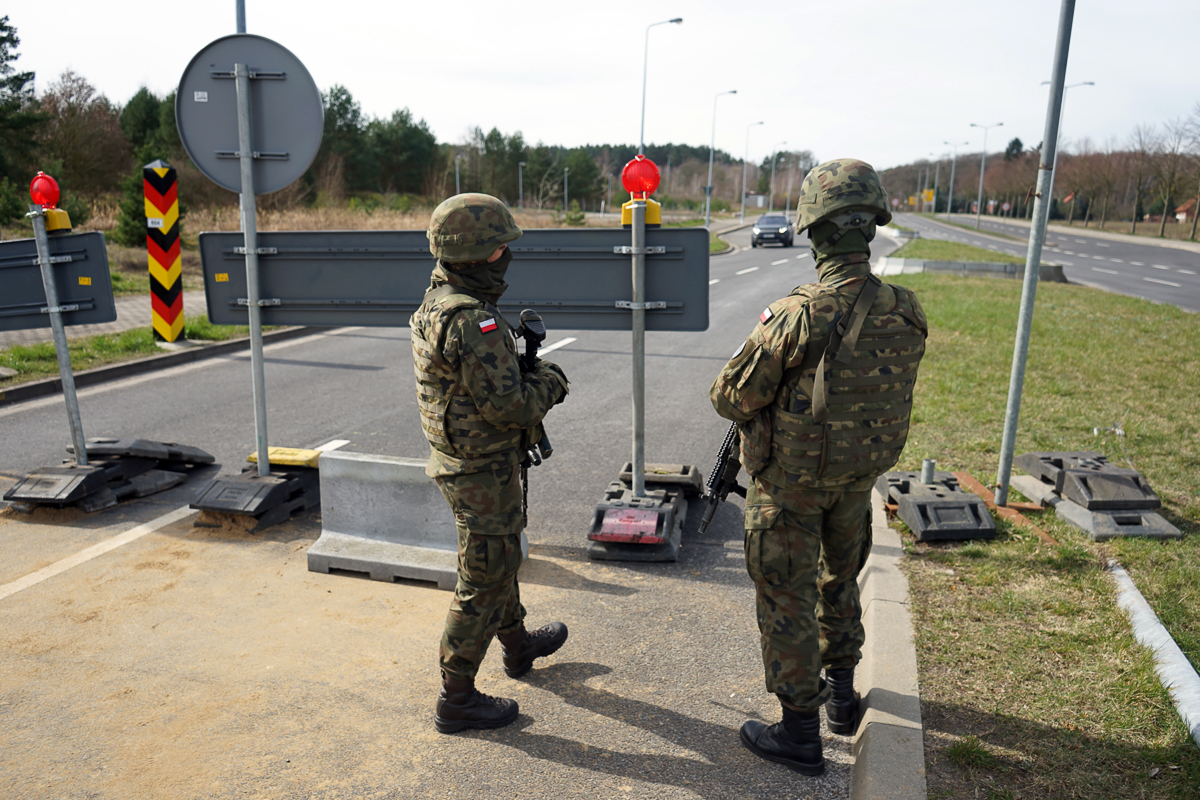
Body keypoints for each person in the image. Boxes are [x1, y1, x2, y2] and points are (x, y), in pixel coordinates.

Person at [709, 159, 928, 775]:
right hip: (856, 484)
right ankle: (841, 697)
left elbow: (730, 396)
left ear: (816, 230)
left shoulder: (799, 314)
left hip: (791, 490)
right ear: (872, 225)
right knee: (841, 584)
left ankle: (800, 731)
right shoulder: (906, 309)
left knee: (787, 598)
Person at [410, 193, 570, 734]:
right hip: (480, 469)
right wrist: (551, 380)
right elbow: (511, 406)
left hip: (465, 461)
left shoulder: (438, 299)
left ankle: (518, 644)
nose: (507, 254)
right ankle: (457, 697)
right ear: (480, 254)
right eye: (500, 246)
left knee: (500, 556)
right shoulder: (469, 320)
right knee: (484, 575)